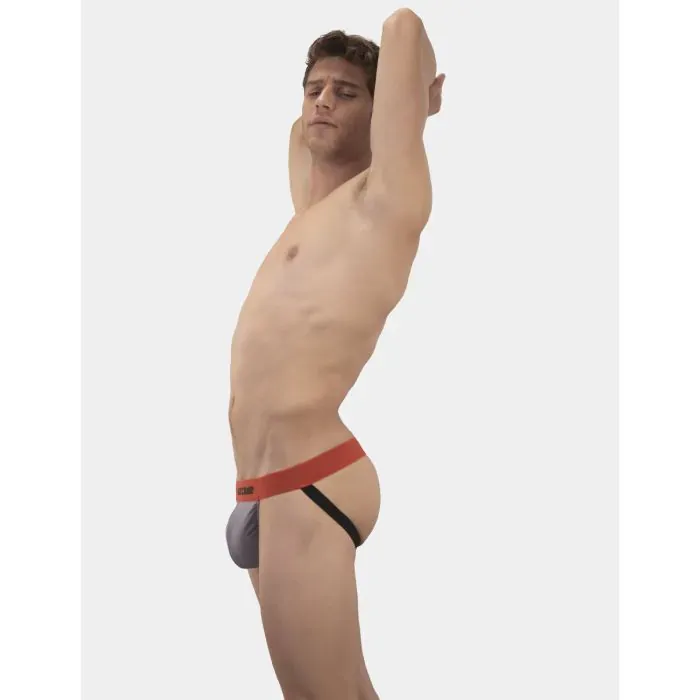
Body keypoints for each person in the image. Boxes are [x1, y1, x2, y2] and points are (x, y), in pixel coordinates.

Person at [225, 8, 444, 699]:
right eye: (314, 88)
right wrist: (339, 96)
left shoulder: (385, 202)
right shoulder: (311, 206)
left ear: (384, 114)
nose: (322, 101)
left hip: (308, 480)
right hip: (260, 484)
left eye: (346, 93)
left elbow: (402, 26)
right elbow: (301, 133)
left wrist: (416, 99)